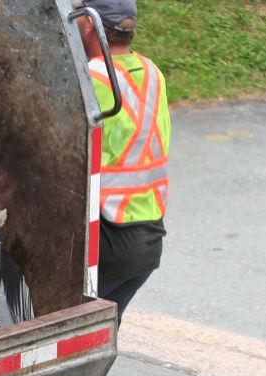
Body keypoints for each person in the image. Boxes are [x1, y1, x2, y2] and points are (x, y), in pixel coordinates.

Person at [78, 0, 170, 321]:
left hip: (107, 242)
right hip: (148, 242)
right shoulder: (152, 72)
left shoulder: (88, 77)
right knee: (96, 343)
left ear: (89, 24)